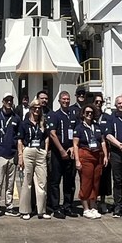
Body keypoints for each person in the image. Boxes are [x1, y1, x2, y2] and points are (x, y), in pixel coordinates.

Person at [17, 98, 51, 219]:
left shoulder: (43, 122)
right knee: (27, 181)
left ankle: (41, 210)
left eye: (39, 108)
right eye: (35, 108)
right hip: (28, 151)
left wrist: (45, 150)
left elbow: (47, 137)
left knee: (42, 181)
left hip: (40, 152)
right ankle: (25, 210)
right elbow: (20, 140)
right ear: (31, 109)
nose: (37, 110)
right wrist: (20, 156)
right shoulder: (24, 123)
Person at [73, 102, 107, 218]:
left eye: (91, 113)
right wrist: (77, 160)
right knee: (86, 182)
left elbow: (102, 141)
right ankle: (86, 208)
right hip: (85, 155)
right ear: (83, 114)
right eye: (87, 112)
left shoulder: (97, 126)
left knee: (95, 182)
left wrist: (106, 156)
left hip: (97, 155)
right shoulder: (79, 128)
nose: (89, 115)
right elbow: (75, 145)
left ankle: (93, 206)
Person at [48, 90, 77, 218]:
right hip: (57, 153)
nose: (66, 101)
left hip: (70, 153)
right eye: (63, 99)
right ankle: (55, 207)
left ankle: (68, 206)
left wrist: (71, 147)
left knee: (69, 181)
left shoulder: (73, 115)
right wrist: (61, 150)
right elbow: (52, 134)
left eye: (67, 99)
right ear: (59, 101)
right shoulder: (54, 115)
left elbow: (76, 133)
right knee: (55, 181)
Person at [0, 94, 21, 217]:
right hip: (0, 154)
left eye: (11, 100)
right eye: (7, 100)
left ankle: (9, 206)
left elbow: (19, 136)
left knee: (10, 183)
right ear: (3, 102)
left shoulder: (16, 118)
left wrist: (18, 153)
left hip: (12, 154)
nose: (9, 102)